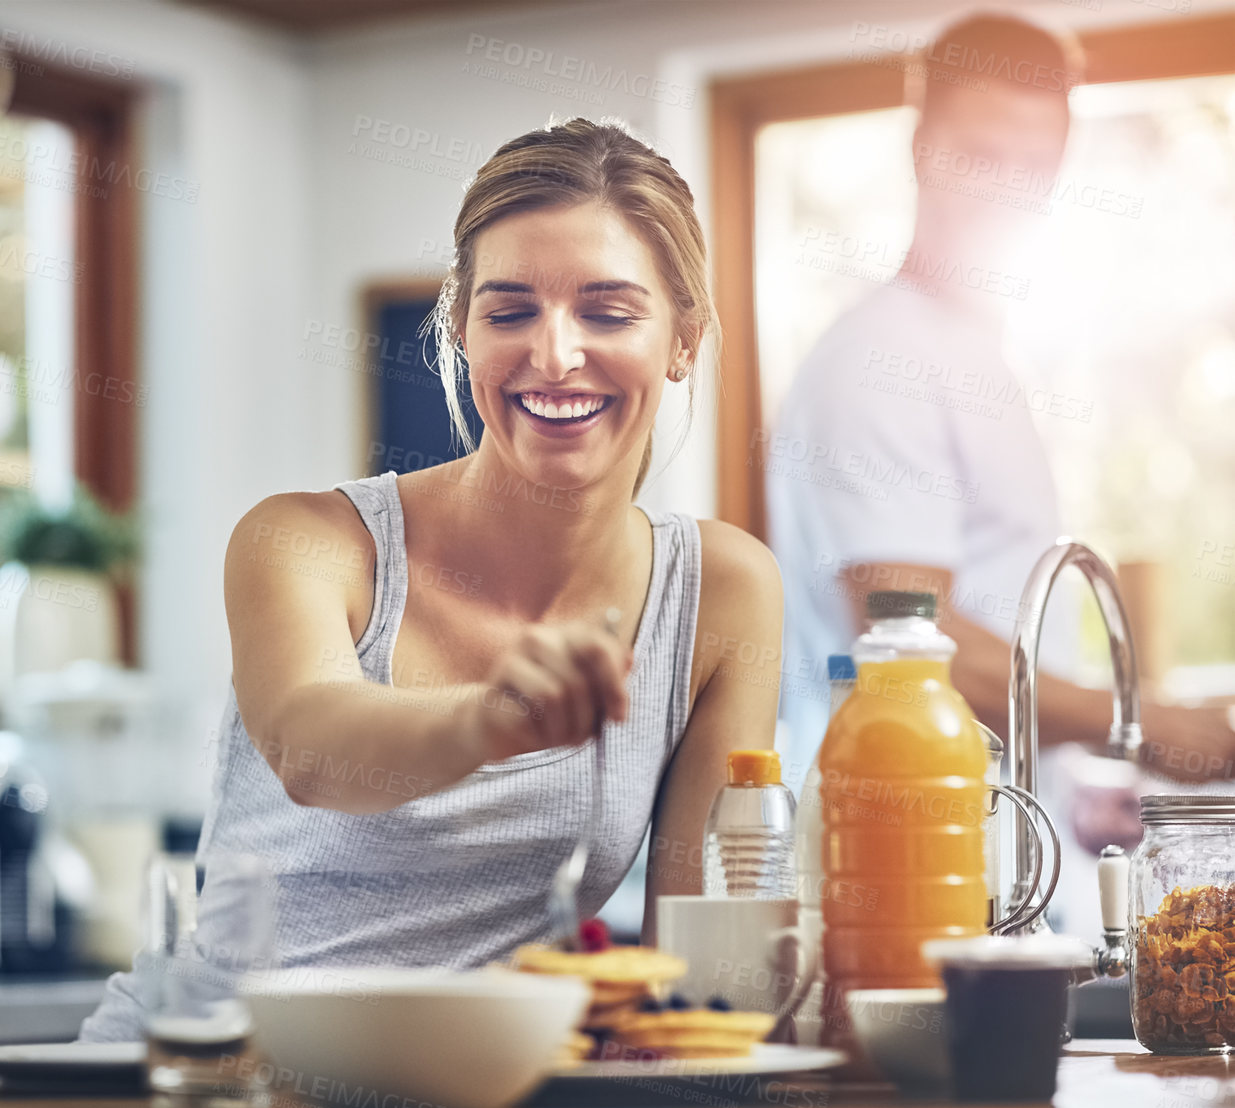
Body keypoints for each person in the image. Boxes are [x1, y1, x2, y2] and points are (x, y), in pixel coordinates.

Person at [81, 117, 784, 1041]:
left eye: (608, 312)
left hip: (466, 1099)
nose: (554, 355)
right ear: (459, 329)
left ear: (683, 339)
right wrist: (493, 718)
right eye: (508, 311)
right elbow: (309, 751)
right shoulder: (306, 540)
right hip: (210, 1084)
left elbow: (695, 979)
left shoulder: (722, 590)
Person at [768, 16, 1235, 890]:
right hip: (903, 855)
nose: (1008, 192)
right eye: (981, 156)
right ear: (922, 152)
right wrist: (1141, 722)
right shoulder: (881, 360)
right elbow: (910, 635)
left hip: (992, 850)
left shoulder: (983, 357)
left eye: (1034, 167)